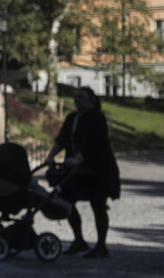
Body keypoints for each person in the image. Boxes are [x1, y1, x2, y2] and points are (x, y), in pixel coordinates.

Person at [49, 85, 122, 258]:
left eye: (81, 97)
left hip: (96, 171)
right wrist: (50, 156)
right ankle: (79, 240)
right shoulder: (72, 118)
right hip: (76, 172)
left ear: (91, 100)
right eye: (75, 97)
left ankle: (101, 246)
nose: (77, 100)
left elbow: (94, 143)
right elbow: (62, 140)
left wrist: (79, 158)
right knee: (66, 200)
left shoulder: (97, 117)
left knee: (98, 205)